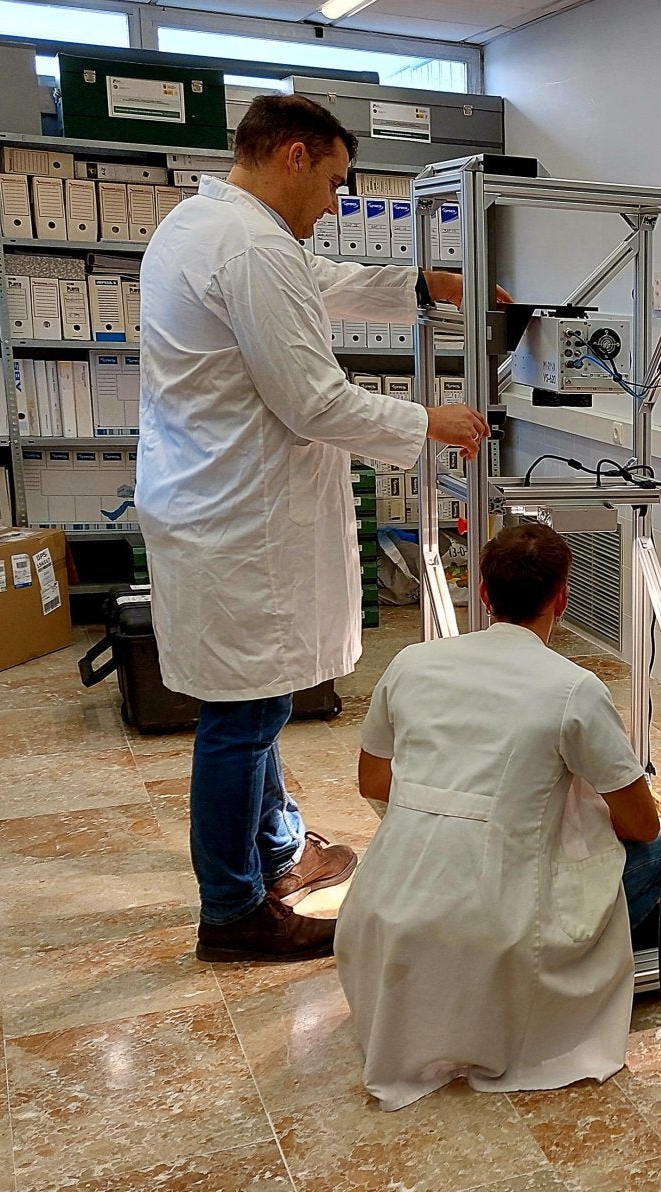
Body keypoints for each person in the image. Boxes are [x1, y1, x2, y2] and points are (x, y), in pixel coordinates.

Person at [136, 94, 492, 962]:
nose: (335, 202)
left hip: (215, 502)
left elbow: (314, 283)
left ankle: (280, 852)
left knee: (252, 703)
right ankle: (232, 911)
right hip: (238, 517)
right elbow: (313, 401)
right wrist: (427, 424)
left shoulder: (206, 225)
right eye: (333, 180)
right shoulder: (250, 244)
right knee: (241, 716)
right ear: (294, 155)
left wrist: (421, 283)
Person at [336, 522, 661, 1111]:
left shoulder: (412, 663)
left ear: (485, 596)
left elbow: (374, 782)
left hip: (381, 913)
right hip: (502, 928)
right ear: (563, 597)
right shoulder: (572, 687)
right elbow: (642, 824)